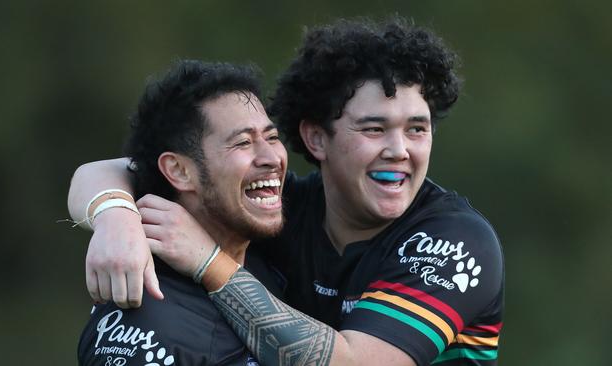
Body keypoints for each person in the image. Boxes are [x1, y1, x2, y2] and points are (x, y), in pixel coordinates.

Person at [69, 17, 504, 365]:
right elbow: (121, 169)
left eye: (417, 129)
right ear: (316, 139)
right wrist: (114, 217)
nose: (399, 150)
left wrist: (210, 263)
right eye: (374, 129)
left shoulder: (455, 240)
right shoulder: (280, 211)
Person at [74, 59, 289, 365]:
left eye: (272, 137)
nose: (272, 157)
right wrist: (113, 213)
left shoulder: (269, 250)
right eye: (243, 142)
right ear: (179, 171)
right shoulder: (148, 323)